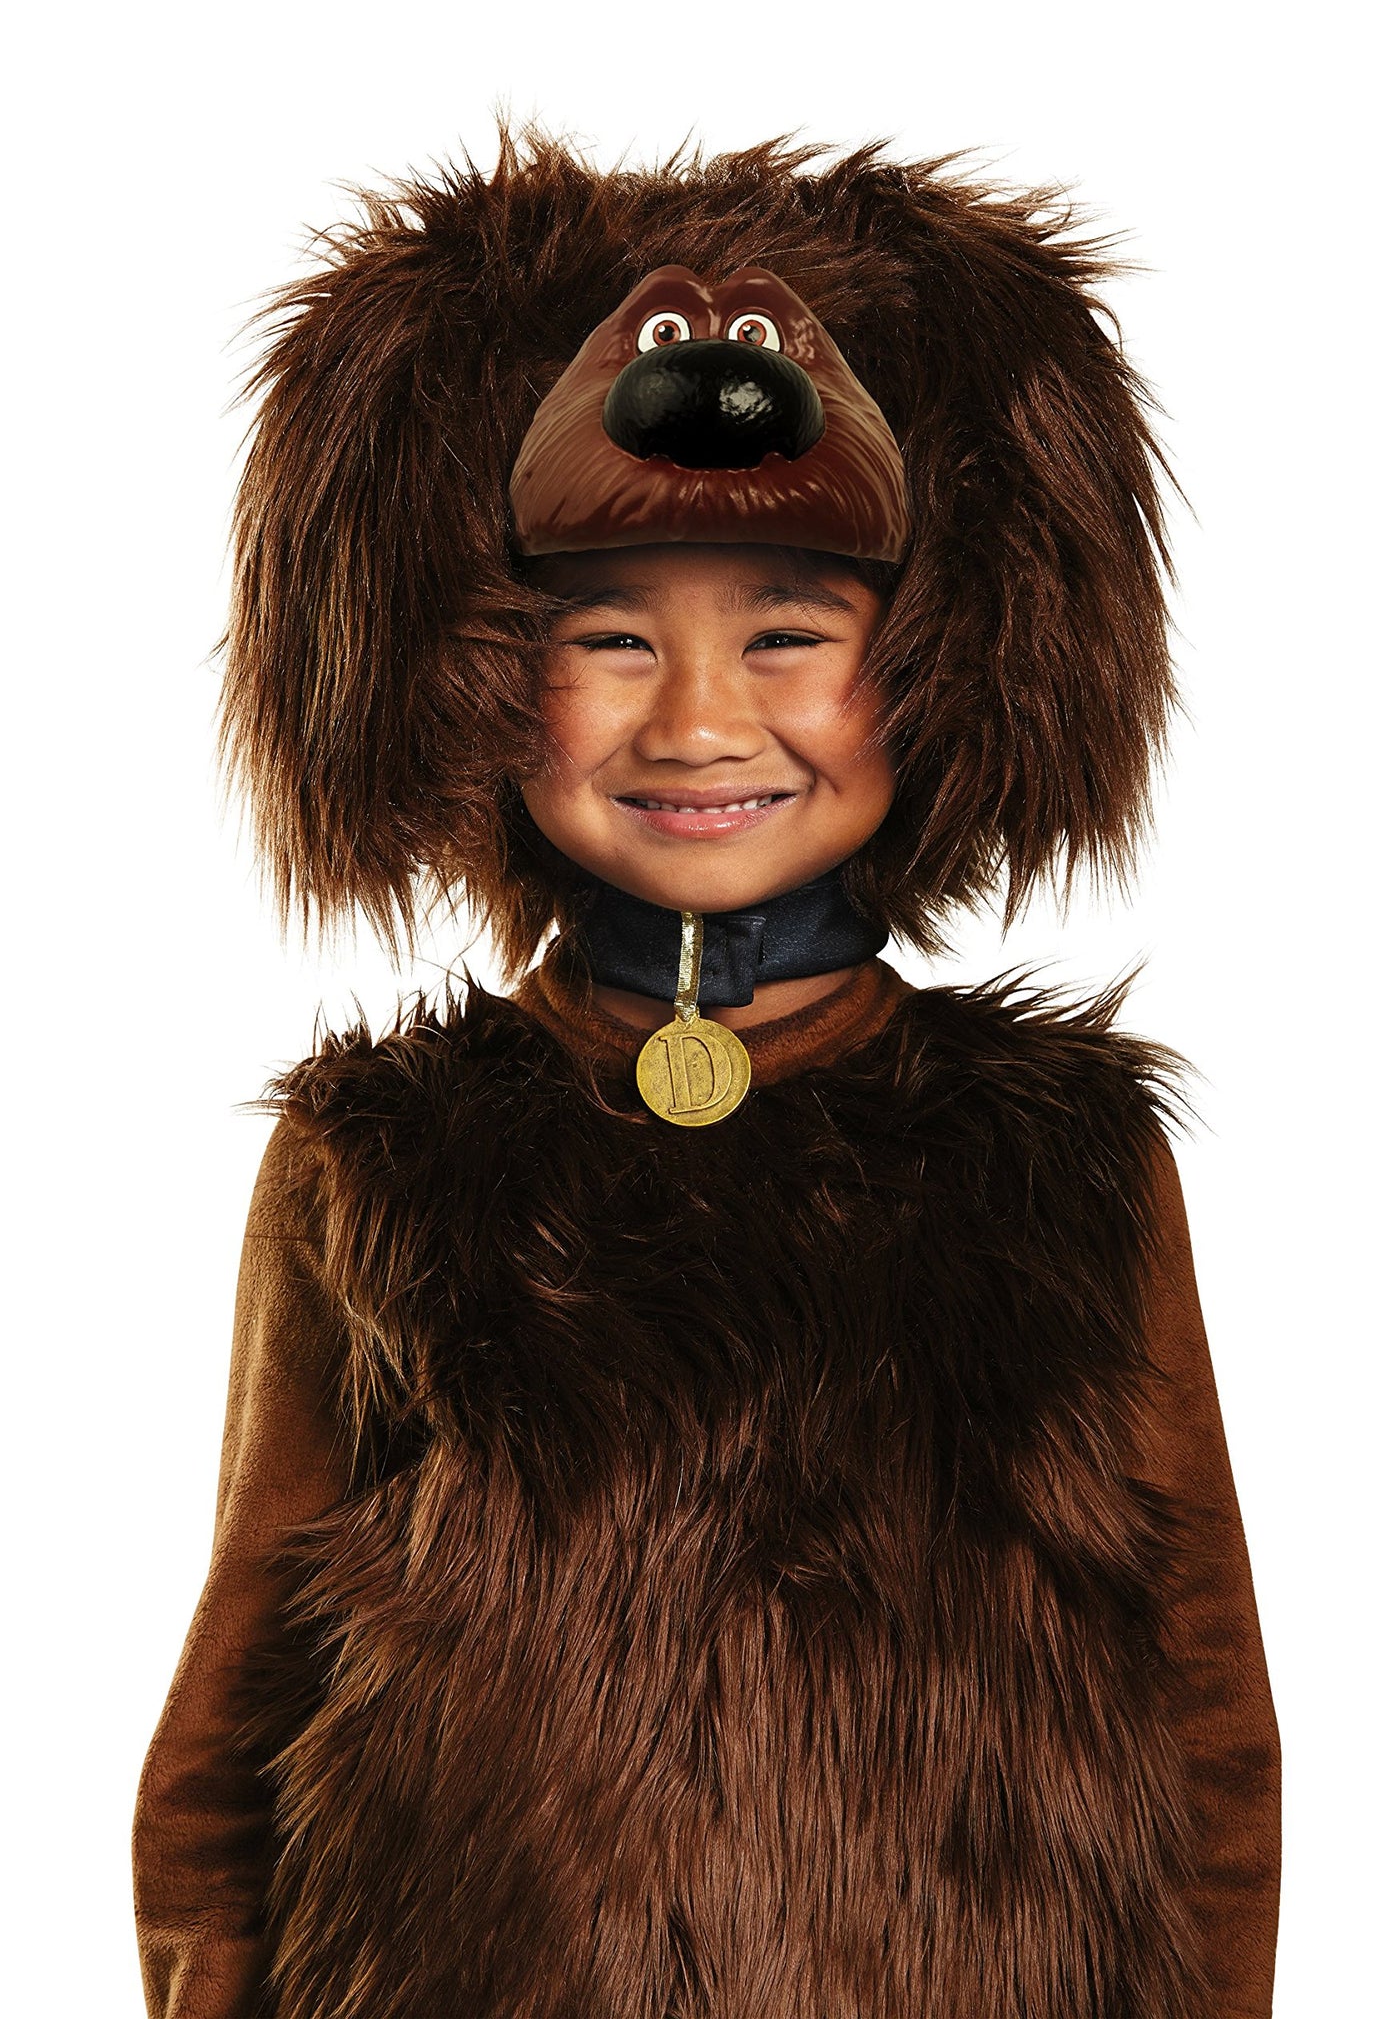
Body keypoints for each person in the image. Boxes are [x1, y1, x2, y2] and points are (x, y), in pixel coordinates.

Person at [132, 130, 1281, 2018]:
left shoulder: (1066, 1163)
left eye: (788, 633)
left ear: (942, 661)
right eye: (609, 636)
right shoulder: (380, 1162)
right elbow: (231, 1735)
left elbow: (1206, 1714)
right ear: (475, 672)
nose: (698, 719)